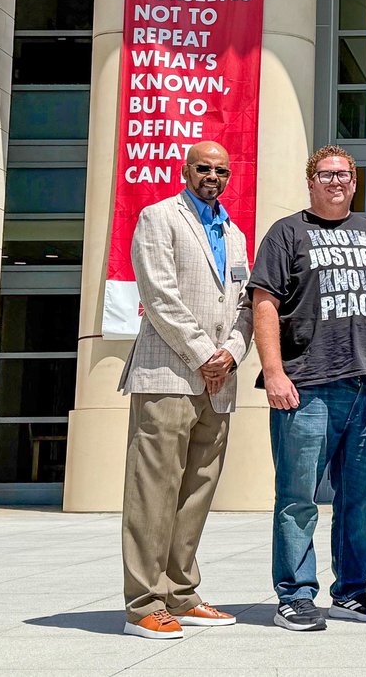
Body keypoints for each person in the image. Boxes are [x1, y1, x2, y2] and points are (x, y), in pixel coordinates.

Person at [250, 145, 366, 632]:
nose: (336, 181)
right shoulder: (287, 233)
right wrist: (273, 372)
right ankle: (294, 595)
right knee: (298, 496)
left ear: (354, 182)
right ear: (310, 181)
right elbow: (264, 304)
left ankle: (351, 592)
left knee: (359, 499)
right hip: (308, 388)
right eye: (326, 174)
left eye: (344, 174)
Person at [119, 141, 253, 639]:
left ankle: (180, 591)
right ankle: (143, 603)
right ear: (186, 169)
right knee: (154, 491)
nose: (212, 176)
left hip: (218, 382)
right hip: (169, 375)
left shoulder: (236, 234)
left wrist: (233, 355)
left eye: (221, 169)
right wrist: (205, 354)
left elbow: (245, 306)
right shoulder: (159, 217)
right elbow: (158, 295)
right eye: (203, 167)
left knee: (197, 490)